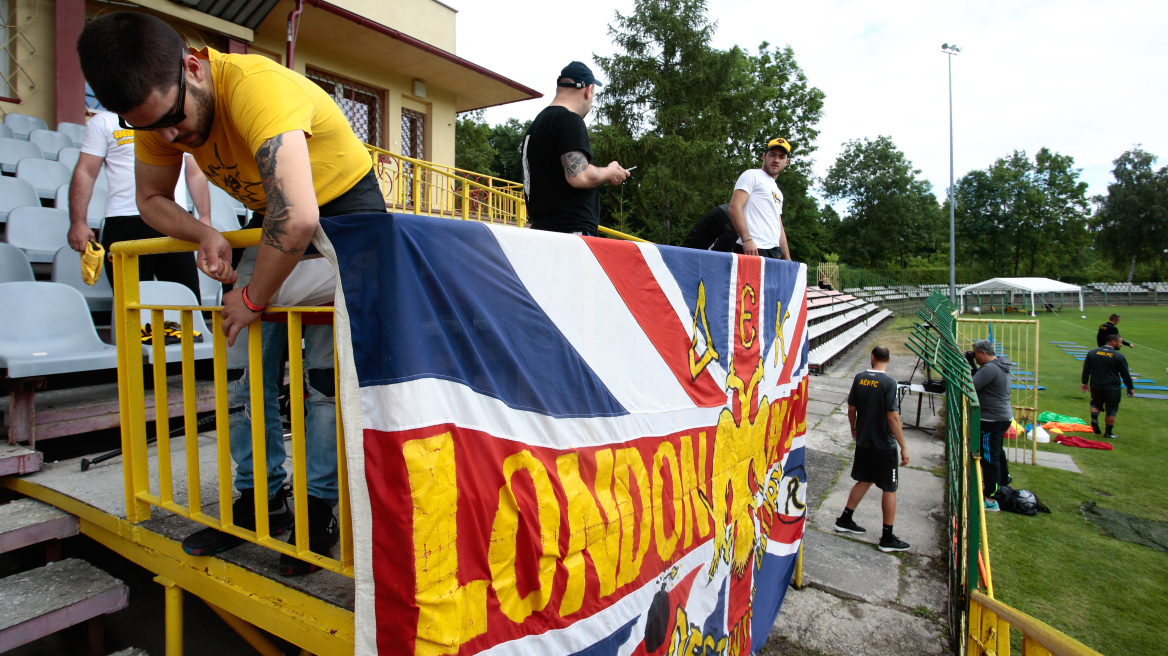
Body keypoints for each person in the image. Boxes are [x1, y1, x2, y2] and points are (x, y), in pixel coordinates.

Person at [77, 11, 387, 575]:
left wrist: (248, 299)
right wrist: (205, 231)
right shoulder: (158, 113)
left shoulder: (256, 87)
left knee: (320, 384)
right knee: (243, 375)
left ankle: (320, 514)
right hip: (273, 221)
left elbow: (298, 218)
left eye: (173, 118)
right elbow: (150, 200)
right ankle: (259, 505)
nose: (171, 138)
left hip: (345, 221)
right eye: (150, 128)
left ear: (193, 68)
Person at [66, 110, 211, 301]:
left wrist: (204, 217)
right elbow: (86, 171)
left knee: (187, 301)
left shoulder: (171, 118)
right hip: (125, 221)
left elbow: (194, 173)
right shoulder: (104, 121)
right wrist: (78, 222)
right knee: (132, 306)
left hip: (175, 220)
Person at [521, 61, 629, 235]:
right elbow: (579, 176)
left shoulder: (535, 126)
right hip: (571, 234)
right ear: (588, 90)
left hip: (541, 231)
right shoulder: (569, 120)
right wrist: (610, 172)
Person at [834, 346, 911, 552]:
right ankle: (887, 536)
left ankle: (845, 519)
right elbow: (892, 417)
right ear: (889, 359)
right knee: (889, 487)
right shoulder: (889, 383)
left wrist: (854, 428)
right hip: (883, 444)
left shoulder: (859, 378)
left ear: (872, 357)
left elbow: (852, 408)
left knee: (865, 479)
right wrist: (903, 446)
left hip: (864, 440)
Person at [727, 137, 792, 260]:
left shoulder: (778, 192)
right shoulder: (752, 175)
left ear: (786, 162)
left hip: (774, 251)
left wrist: (787, 257)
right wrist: (747, 239)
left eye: (781, 157)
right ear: (764, 156)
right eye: (772, 155)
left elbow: (778, 225)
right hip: (753, 249)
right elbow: (735, 207)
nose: (776, 160)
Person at [969, 340, 1013, 511]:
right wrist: (972, 363)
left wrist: (970, 364)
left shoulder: (990, 368)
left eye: (975, 354)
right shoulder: (998, 364)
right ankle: (1002, 482)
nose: (975, 357)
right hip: (1001, 417)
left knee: (988, 456)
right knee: (997, 451)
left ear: (982, 353)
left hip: (992, 419)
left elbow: (972, 385)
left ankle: (990, 497)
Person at [1081, 333, 1134, 439]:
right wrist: (1130, 387)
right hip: (1112, 387)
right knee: (1111, 409)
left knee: (1096, 404)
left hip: (1096, 385)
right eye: (1120, 342)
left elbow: (1086, 369)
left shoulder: (1092, 352)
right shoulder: (1119, 356)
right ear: (1113, 342)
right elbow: (1125, 374)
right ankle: (1108, 433)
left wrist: (1084, 382)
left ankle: (1094, 417)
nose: (1122, 345)